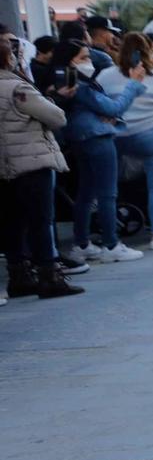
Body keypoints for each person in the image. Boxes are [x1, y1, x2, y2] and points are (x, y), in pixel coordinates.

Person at [1, 32, 83, 300]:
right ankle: (49, 275)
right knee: (40, 220)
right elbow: (56, 117)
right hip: (31, 161)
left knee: (12, 221)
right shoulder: (17, 87)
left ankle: (19, 275)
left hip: (5, 165)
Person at [50, 40, 144, 262]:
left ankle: (82, 242)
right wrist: (132, 84)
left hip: (80, 137)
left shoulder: (65, 82)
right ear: (70, 60)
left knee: (86, 192)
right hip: (97, 137)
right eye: (84, 57)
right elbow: (114, 107)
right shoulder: (80, 86)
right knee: (106, 193)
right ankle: (111, 244)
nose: (89, 62)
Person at [99, 35, 153, 251]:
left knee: (107, 186)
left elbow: (99, 103)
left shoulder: (106, 76)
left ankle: (108, 234)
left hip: (118, 136)